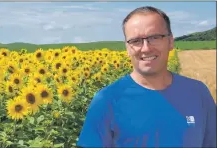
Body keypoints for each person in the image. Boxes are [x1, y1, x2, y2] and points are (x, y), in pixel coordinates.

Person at [77, 6, 216, 147]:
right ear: (127, 48)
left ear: (170, 41)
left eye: (154, 37)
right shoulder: (106, 100)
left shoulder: (198, 93)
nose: (146, 48)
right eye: (136, 41)